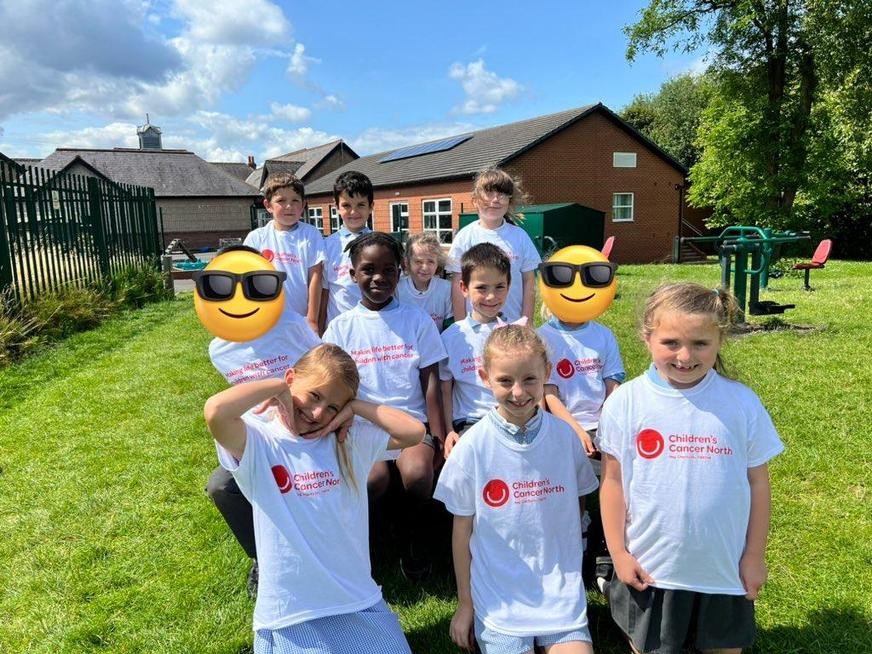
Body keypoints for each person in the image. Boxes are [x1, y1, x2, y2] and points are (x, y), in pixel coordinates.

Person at [598, 283, 784, 654]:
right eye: (671, 343)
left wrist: (753, 556)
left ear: (720, 341)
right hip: (653, 567)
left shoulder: (741, 403)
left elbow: (758, 485)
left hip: (722, 569)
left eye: (700, 344)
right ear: (647, 338)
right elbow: (613, 482)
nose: (685, 356)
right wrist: (619, 553)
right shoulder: (626, 402)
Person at [204, 343, 424, 654]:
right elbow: (215, 411)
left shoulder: (346, 440)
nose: (319, 412)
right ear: (292, 378)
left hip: (357, 599)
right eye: (314, 396)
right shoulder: (259, 440)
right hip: (290, 610)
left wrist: (356, 408)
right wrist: (278, 385)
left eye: (333, 407)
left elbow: (413, 432)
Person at [435, 324, 598, 654]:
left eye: (529, 380)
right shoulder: (472, 447)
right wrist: (466, 604)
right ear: (484, 376)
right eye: (505, 381)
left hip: (559, 593)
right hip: (499, 598)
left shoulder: (565, 438)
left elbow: (578, 502)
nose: (519, 392)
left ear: (546, 374)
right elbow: (461, 532)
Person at [322, 232, 447, 580]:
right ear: (352, 274)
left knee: (419, 475)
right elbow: (331, 385)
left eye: (388, 270)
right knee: (373, 480)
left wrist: (436, 436)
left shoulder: (416, 320)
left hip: (410, 424)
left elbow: (432, 382)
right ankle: (372, 541)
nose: (379, 278)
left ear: (400, 273)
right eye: (368, 270)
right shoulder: (341, 328)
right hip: (364, 427)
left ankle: (413, 538)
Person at [205, 264, 322, 597]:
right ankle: (262, 555)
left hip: (307, 425)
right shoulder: (220, 349)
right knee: (221, 486)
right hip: (261, 438)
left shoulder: (292, 326)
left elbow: (322, 366)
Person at [440, 243, 511, 458]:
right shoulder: (451, 337)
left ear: (509, 286)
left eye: (499, 287)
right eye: (481, 288)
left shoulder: (516, 333)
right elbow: (445, 390)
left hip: (512, 417)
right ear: (464, 288)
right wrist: (448, 431)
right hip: (471, 421)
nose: (491, 297)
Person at [447, 168, 540, 322]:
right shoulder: (465, 237)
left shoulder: (520, 236)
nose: (496, 199)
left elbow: (528, 281)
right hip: (476, 325)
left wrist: (527, 321)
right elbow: (457, 283)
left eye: (502, 194)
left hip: (513, 324)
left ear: (509, 201)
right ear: (475, 200)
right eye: (489, 193)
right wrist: (460, 323)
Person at [244, 173, 325, 335]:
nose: (289, 206)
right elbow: (246, 278)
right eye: (281, 201)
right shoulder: (256, 238)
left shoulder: (311, 234)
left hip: (301, 320)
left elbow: (316, 277)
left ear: (303, 205)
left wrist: (312, 319)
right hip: (266, 319)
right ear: (268, 205)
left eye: (295, 200)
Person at [319, 171, 374, 334]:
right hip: (339, 330)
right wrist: (320, 330)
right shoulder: (326, 246)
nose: (353, 212)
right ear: (336, 207)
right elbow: (324, 292)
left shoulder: (381, 245)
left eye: (361, 205)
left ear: (371, 206)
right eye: (346, 205)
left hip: (373, 328)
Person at [396, 231, 453, 332]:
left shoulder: (446, 289)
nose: (425, 267)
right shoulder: (397, 289)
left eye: (430, 261)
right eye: (418, 261)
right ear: (407, 262)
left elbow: (449, 327)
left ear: (437, 263)